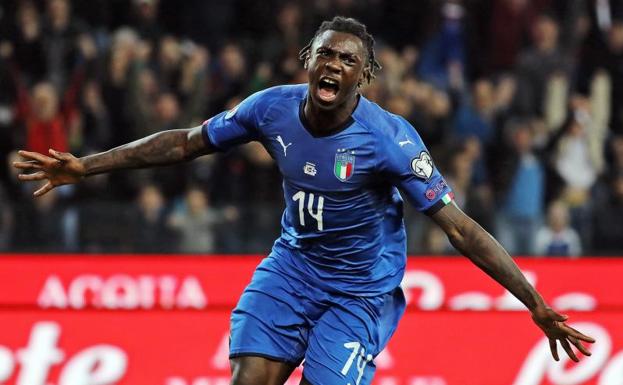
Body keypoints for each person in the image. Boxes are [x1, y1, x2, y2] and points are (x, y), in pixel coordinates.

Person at [13, 16, 594, 385]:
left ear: (364, 76)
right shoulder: (270, 108)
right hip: (292, 269)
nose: (334, 64)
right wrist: (84, 165)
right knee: (248, 379)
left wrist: (534, 301)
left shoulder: (389, 140)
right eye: (325, 54)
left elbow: (460, 228)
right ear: (307, 61)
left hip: (359, 291)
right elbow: (185, 143)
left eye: (347, 59)